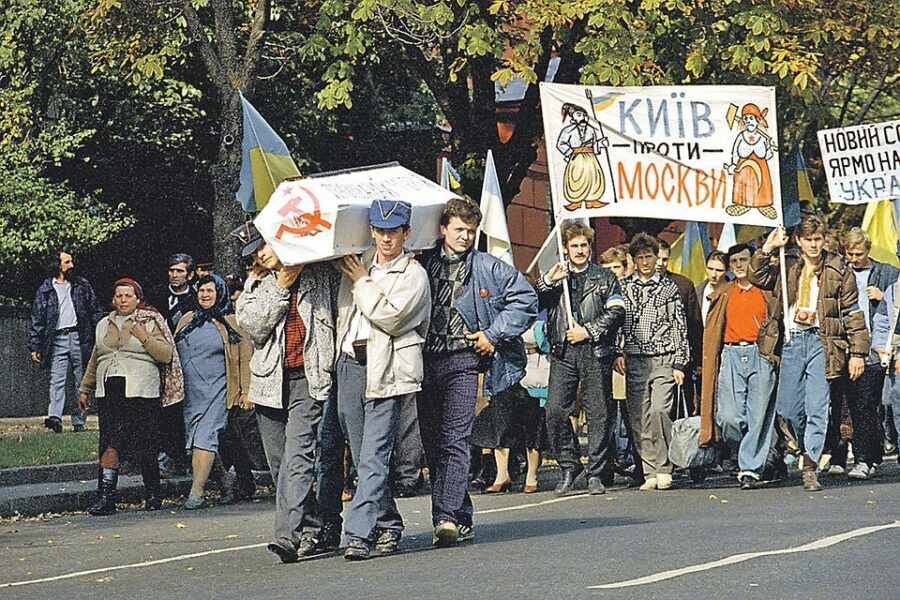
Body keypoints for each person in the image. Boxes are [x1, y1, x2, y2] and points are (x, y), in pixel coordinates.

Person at [418, 198, 537, 547]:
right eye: (459, 230)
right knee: (433, 442)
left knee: (455, 438)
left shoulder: (488, 266)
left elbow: (526, 299)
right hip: (424, 362)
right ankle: (459, 515)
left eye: (471, 231)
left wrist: (493, 334)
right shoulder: (422, 264)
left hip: (463, 360)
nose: (465, 237)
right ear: (443, 229)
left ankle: (445, 517)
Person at [234, 222, 341, 563]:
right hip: (269, 382)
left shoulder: (319, 275)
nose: (260, 255)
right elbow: (254, 326)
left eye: (263, 246)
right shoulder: (257, 283)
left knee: (299, 457)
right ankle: (314, 525)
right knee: (281, 465)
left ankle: (286, 536)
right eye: (253, 252)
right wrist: (280, 287)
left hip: (309, 377)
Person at [334, 199, 431, 560]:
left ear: (406, 233)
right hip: (350, 365)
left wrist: (362, 281)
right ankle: (388, 523)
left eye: (394, 231)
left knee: (374, 456)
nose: (386, 239)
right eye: (380, 231)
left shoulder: (413, 274)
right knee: (363, 456)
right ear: (371, 231)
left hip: (386, 369)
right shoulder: (357, 262)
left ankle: (358, 534)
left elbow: (391, 318)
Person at [749, 215, 869, 491]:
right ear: (799, 240)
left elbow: (852, 312)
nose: (814, 245)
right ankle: (804, 445)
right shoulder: (787, 262)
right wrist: (768, 247)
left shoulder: (838, 267)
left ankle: (810, 465)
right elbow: (757, 276)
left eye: (818, 239)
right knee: (788, 408)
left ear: (824, 239)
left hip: (821, 342)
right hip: (792, 340)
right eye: (809, 240)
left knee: (817, 406)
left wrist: (858, 353)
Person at [78, 278, 182, 515]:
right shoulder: (103, 324)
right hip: (110, 391)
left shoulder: (150, 321)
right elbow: (96, 358)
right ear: (113, 300)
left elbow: (166, 355)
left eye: (128, 296)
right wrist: (85, 388)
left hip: (141, 391)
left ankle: (153, 494)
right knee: (109, 442)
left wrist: (143, 336)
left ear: (137, 299)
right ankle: (106, 497)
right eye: (119, 296)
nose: (123, 300)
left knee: (146, 443)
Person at [537, 222, 624, 495]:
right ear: (565, 248)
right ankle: (569, 464)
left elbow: (617, 311)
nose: (579, 250)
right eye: (574, 245)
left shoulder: (605, 277)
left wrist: (588, 331)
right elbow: (535, 302)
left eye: (583, 245)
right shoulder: (557, 277)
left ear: (590, 247)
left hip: (594, 350)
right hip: (563, 351)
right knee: (554, 410)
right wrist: (548, 281)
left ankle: (595, 472)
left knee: (598, 412)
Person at [699, 244, 778, 489]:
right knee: (729, 417)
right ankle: (748, 451)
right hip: (731, 353)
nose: (739, 265)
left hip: (759, 352)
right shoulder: (724, 292)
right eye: (734, 261)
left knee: (758, 414)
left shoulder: (766, 290)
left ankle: (750, 468)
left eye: (744, 260)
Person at [616, 233, 689, 491]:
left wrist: (680, 363)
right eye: (640, 257)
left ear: (656, 258)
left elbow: (679, 325)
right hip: (634, 358)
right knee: (639, 417)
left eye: (649, 256)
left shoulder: (668, 288)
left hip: (663, 357)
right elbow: (617, 322)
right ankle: (649, 470)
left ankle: (664, 466)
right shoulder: (624, 287)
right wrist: (617, 352)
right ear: (633, 260)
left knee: (659, 410)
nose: (645, 262)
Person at [174, 274, 252, 509]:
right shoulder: (187, 319)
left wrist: (246, 391)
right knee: (195, 443)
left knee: (205, 438)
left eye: (210, 290)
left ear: (220, 293)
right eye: (201, 291)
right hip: (190, 392)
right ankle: (225, 481)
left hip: (218, 390)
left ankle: (196, 494)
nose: (205, 295)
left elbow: (245, 358)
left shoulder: (232, 322)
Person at [830, 227, 898, 479]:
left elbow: (897, 303)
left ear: (868, 250)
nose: (854, 259)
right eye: (850, 254)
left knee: (866, 404)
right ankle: (847, 453)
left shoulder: (886, 273)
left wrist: (883, 297)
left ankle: (864, 459)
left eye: (859, 254)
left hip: (874, 349)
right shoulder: (838, 273)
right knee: (843, 405)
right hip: (844, 346)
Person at [29, 250, 103, 433]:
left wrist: (100, 334)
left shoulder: (81, 285)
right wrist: (35, 345)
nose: (72, 265)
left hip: (80, 337)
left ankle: (79, 421)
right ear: (57, 265)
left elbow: (94, 310)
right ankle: (55, 418)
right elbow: (38, 318)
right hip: (57, 339)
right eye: (67, 262)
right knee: (57, 380)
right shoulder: (46, 289)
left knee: (82, 381)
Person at [151, 253, 198, 477]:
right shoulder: (158, 295)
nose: (175, 275)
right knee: (166, 409)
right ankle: (168, 456)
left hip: (189, 357)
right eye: (172, 270)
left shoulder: (197, 298)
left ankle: (185, 457)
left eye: (180, 271)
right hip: (163, 357)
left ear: (189, 274)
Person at [657, 239, 703, 414]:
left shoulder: (683, 285)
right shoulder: (636, 285)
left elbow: (694, 324)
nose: (660, 263)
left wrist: (697, 359)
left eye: (664, 259)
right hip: (650, 359)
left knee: (681, 410)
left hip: (680, 358)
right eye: (657, 258)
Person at [697, 251, 729, 325]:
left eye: (719, 270)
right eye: (710, 269)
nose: (713, 275)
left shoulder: (733, 293)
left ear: (727, 270)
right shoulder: (696, 292)